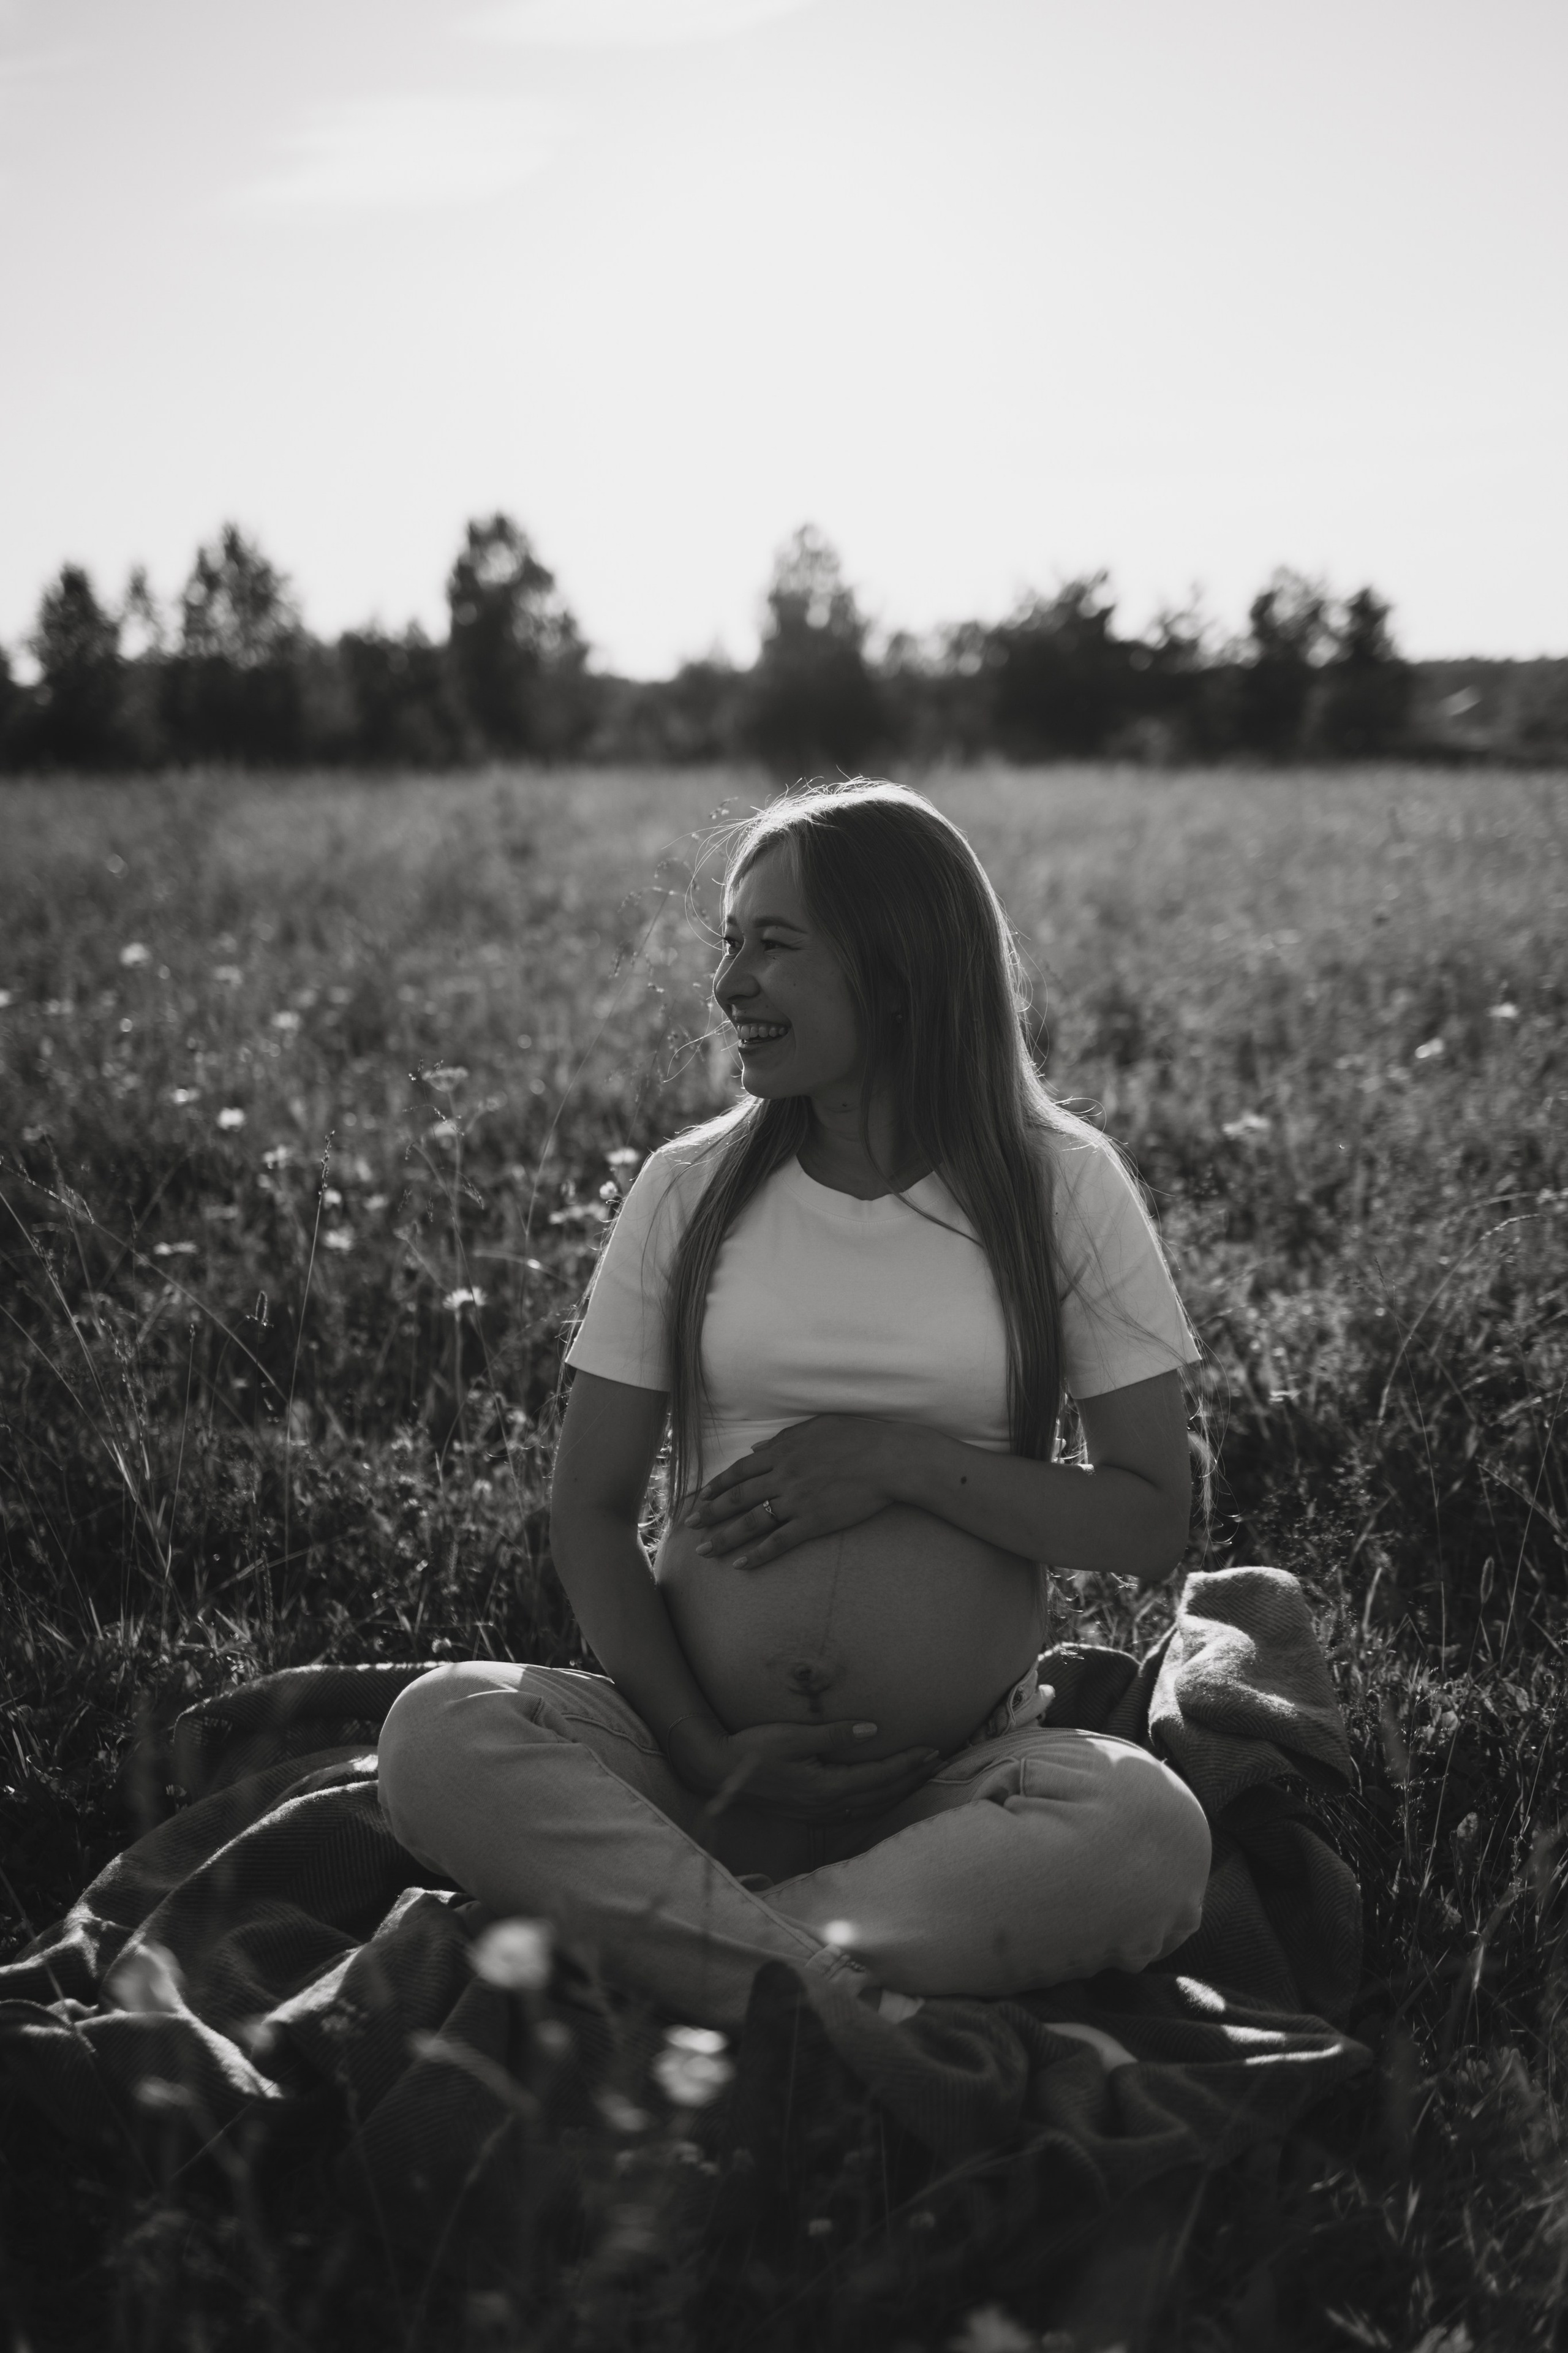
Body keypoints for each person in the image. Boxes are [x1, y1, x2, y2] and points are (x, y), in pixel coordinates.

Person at [379, 781, 1213, 2031]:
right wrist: (702, 1753)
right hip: (690, 1771)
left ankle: (688, 1947)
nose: (727, 987)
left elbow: (1152, 1518)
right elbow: (591, 1513)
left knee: (1146, 1831)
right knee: (437, 1728)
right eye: (729, 942)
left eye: (773, 945)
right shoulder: (687, 1187)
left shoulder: (1059, 1188)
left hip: (953, 1782)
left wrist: (901, 1462)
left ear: (895, 970)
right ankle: (811, 1979)